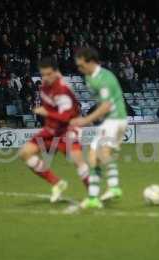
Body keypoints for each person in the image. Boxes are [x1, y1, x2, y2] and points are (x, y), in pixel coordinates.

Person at [18, 57, 90, 203]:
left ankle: (94, 195)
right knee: (25, 153)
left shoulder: (63, 89)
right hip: (51, 129)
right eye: (43, 74)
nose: (45, 77)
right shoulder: (45, 86)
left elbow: (65, 117)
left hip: (68, 128)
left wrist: (46, 113)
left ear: (56, 72)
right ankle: (57, 183)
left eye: (49, 74)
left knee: (78, 161)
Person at [71, 47, 128, 209]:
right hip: (112, 121)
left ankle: (114, 187)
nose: (79, 68)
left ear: (91, 62)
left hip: (114, 120)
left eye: (81, 65)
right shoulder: (89, 78)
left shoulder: (104, 78)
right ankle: (94, 197)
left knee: (100, 153)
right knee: (94, 156)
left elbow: (106, 105)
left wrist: (85, 120)